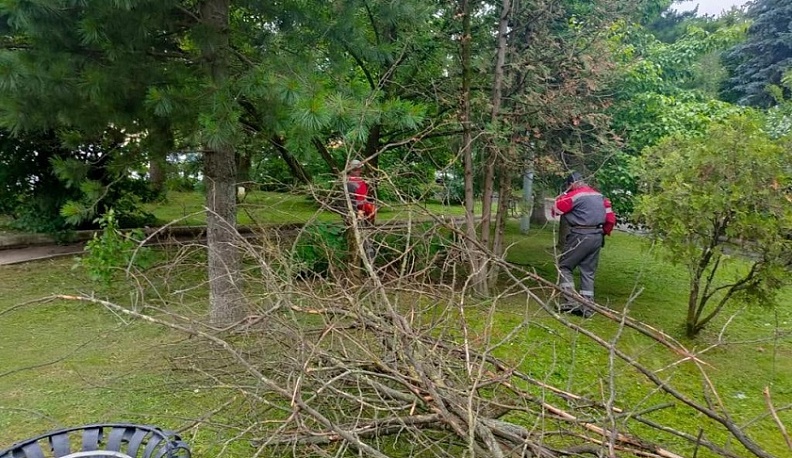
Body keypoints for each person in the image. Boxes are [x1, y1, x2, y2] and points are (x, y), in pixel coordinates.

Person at [552, 171, 616, 317]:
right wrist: (602, 233)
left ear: (571, 184)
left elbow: (556, 209)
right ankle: (588, 307)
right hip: (597, 236)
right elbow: (610, 219)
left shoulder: (575, 195)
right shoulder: (601, 197)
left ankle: (571, 302)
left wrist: (562, 196)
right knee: (588, 272)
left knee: (564, 266)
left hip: (580, 235)